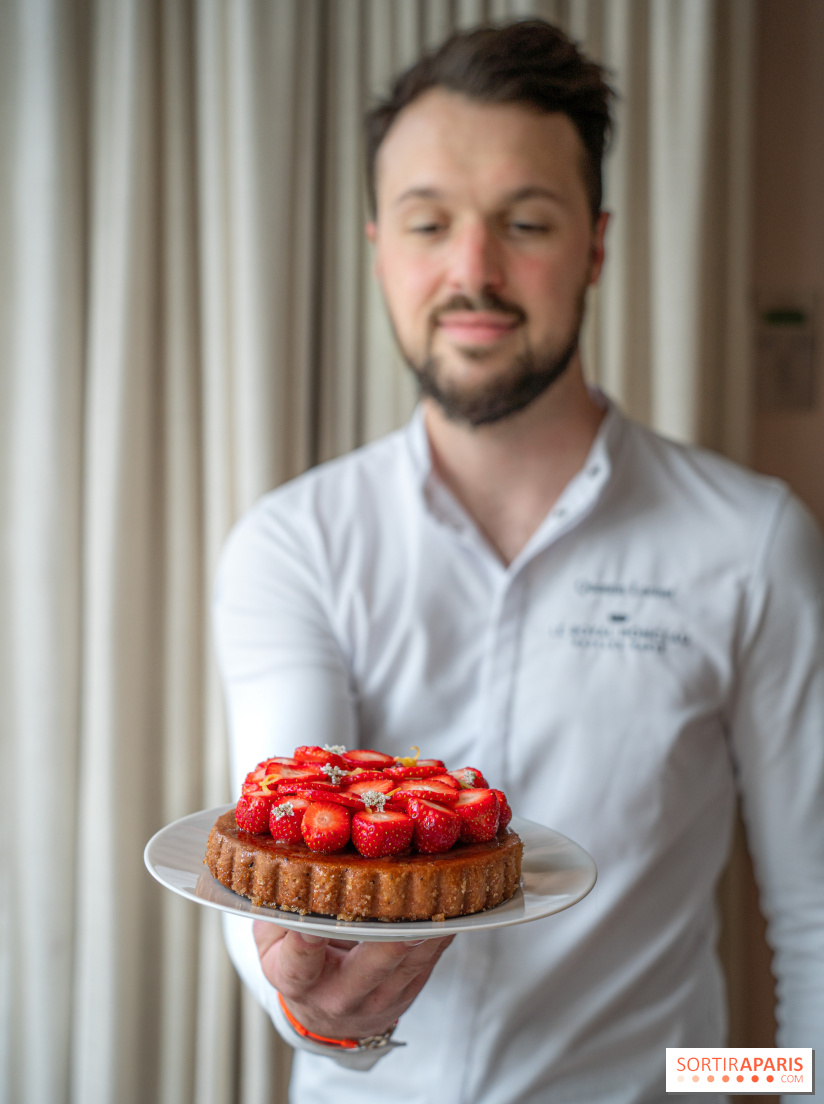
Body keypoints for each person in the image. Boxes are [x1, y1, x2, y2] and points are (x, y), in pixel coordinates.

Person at [213, 20, 824, 1104]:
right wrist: (319, 1019)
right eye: (427, 223)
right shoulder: (292, 543)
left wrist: (734, 1086)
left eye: (524, 221)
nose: (471, 270)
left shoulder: (750, 543)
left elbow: (813, 923)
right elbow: (282, 891)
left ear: (593, 244)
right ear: (377, 248)